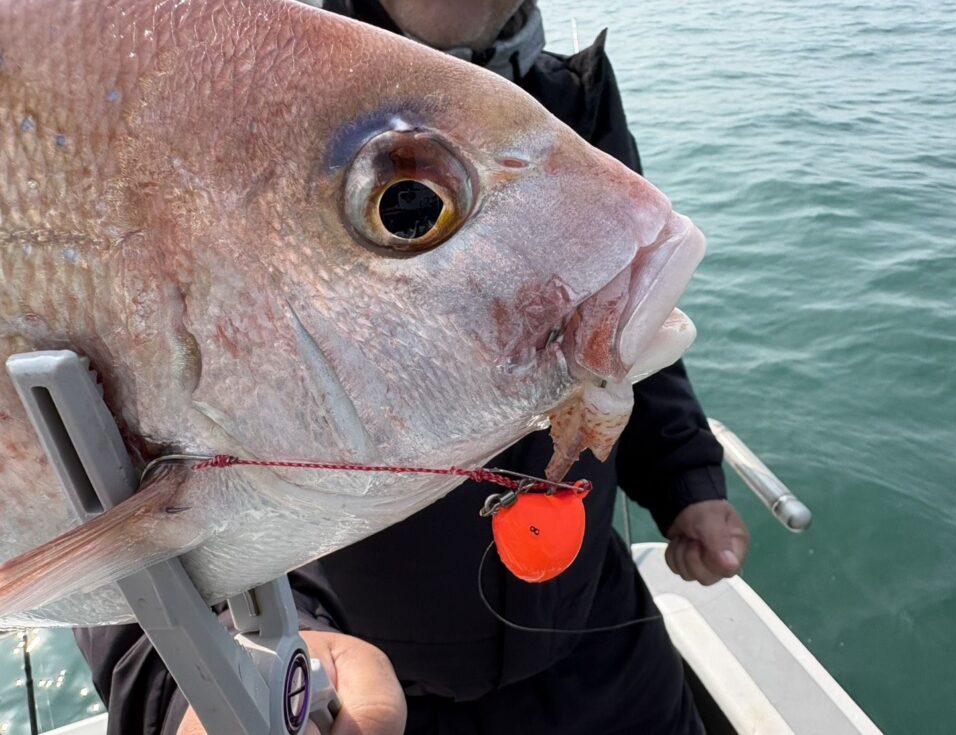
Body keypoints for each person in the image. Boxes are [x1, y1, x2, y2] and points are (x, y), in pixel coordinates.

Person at [75, 2, 750, 733]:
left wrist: (687, 480)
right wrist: (197, 686)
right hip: (364, 675)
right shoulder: (239, 110)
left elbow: (621, 328)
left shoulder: (569, 95)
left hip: (599, 636)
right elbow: (65, 472)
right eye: (407, 208)